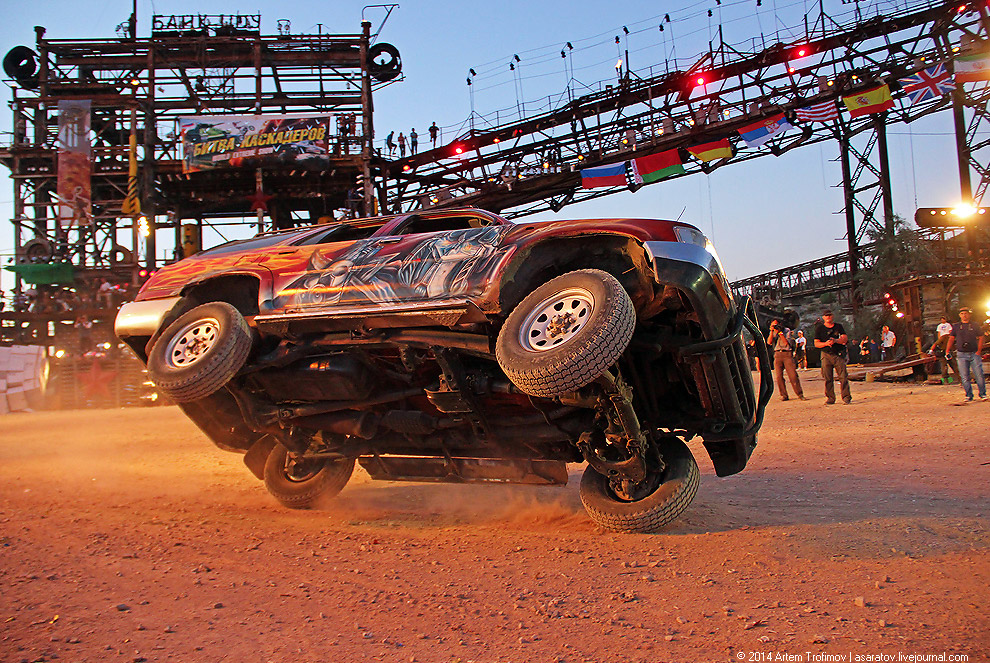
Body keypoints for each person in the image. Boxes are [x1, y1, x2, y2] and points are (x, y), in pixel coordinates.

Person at [946, 306, 986, 402]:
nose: (964, 315)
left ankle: (982, 394)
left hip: (974, 353)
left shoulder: (975, 325)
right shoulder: (956, 326)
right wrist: (947, 350)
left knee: (979, 375)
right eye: (962, 314)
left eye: (966, 313)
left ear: (969, 314)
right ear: (959, 315)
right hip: (961, 354)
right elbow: (951, 338)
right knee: (964, 376)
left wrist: (979, 351)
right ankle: (968, 395)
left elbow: (981, 337)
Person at [814, 309, 851, 405]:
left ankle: (846, 397)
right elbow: (816, 343)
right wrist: (826, 343)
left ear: (832, 316)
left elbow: (845, 339)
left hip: (838, 353)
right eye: (826, 315)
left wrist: (836, 341)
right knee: (828, 377)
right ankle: (830, 398)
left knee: (843, 377)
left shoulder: (839, 327)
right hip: (826, 354)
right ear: (823, 317)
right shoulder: (819, 328)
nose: (828, 317)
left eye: (829, 315)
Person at [767, 320, 805, 401]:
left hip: (787, 353)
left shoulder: (786, 330)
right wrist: (771, 331)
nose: (775, 327)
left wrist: (780, 333)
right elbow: (769, 342)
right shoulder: (773, 332)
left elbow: (786, 343)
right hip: (777, 354)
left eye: (776, 325)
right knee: (779, 377)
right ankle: (784, 395)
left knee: (793, 375)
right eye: (773, 325)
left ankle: (799, 393)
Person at [929, 316, 959, 383]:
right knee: (950, 366)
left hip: (948, 353)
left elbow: (935, 344)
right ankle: (957, 379)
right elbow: (936, 342)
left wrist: (931, 351)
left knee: (949, 366)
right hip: (944, 353)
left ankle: (950, 380)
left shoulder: (948, 327)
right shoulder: (944, 336)